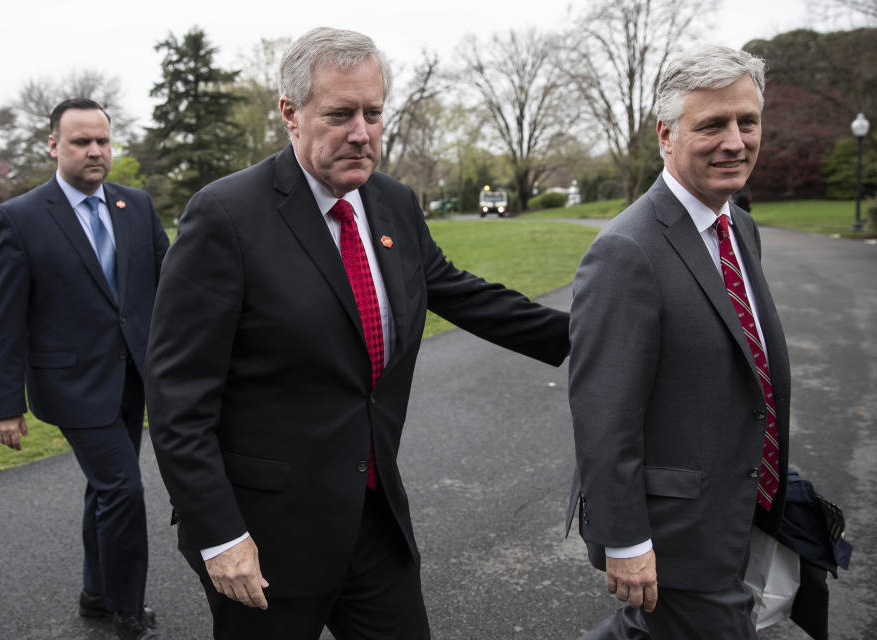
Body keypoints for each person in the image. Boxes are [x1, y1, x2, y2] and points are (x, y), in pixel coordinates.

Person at [144, 27, 569, 640]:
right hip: (265, 536)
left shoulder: (392, 201)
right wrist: (220, 534)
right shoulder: (226, 217)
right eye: (340, 114)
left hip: (372, 516)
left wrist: (591, 339)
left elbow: (463, 294)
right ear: (291, 114)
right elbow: (177, 397)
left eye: (373, 113)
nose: (362, 133)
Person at [565, 46, 790, 639]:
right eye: (712, 124)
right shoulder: (626, 250)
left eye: (748, 122)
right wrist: (626, 539)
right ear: (666, 134)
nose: (736, 142)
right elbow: (603, 414)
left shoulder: (738, 224)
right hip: (678, 533)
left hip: (736, 505)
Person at [0, 98, 169, 640]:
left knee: (106, 490)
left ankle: (94, 593)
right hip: (70, 385)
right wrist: (4, 405)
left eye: (102, 141)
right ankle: (127, 611)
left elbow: (170, 280)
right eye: (81, 141)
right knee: (124, 491)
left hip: (135, 378)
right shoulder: (18, 218)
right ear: (53, 146)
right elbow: (0, 321)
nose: (94, 151)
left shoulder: (136, 204)